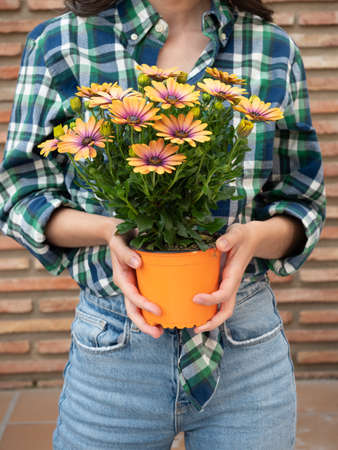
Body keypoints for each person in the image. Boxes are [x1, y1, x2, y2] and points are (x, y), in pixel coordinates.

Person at [0, 0, 326, 448]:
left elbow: (301, 202)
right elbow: (20, 196)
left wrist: (252, 239)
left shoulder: (272, 48)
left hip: (243, 337)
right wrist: (108, 232)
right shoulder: (61, 42)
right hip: (115, 341)